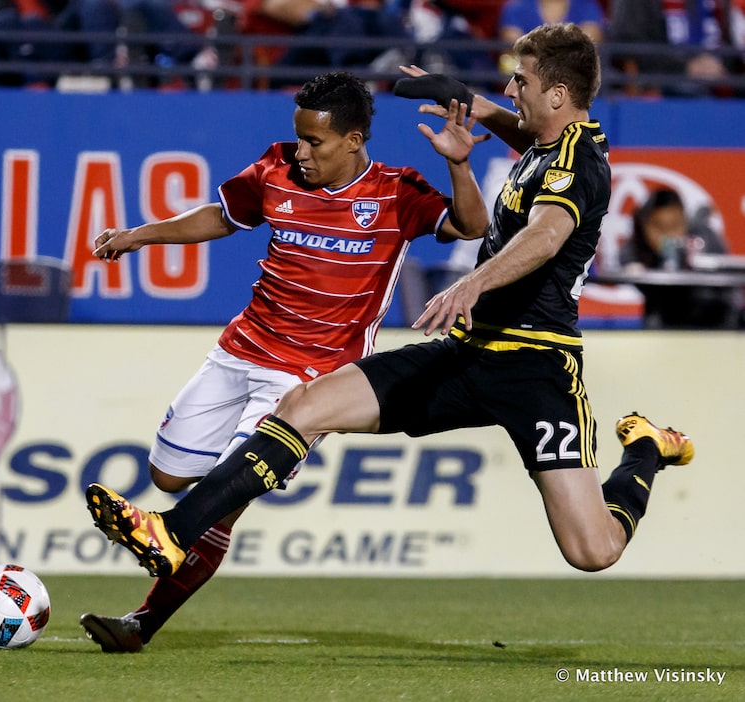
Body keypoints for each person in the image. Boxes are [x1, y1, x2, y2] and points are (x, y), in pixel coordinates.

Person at [85, 24, 695, 586]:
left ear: (558, 94)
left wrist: (475, 281)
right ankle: (172, 531)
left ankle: (645, 447)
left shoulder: (578, 162)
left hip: (536, 368)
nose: (510, 89)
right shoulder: (550, 141)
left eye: (522, 82)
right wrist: (472, 102)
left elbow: (547, 235)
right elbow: (525, 132)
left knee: (593, 550)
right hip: (467, 354)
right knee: (306, 403)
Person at [79, 70, 489, 652]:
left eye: (314, 142)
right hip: (241, 349)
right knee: (167, 475)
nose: (302, 152)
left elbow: (471, 225)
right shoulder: (277, 168)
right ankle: (208, 505)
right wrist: (142, 235)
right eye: (298, 138)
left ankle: (140, 624)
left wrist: (459, 165)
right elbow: (224, 216)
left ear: (353, 140)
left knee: (224, 502)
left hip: (309, 380)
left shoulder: (397, 193)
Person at [618, 187, 735, 328]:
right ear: (645, 225)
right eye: (659, 226)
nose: (668, 234)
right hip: (662, 318)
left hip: (710, 317)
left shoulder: (703, 236)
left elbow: (726, 277)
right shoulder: (637, 246)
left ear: (685, 220)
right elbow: (627, 264)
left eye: (674, 224)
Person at [609, 0, 735, 97]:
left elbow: (729, 41)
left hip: (718, 75)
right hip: (663, 77)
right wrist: (686, 67)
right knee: (693, 92)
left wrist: (720, 64)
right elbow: (628, 41)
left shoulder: (718, 3)